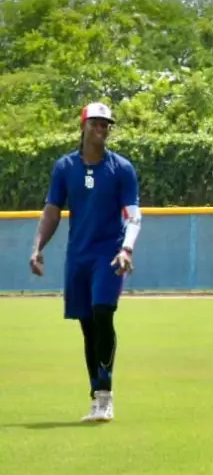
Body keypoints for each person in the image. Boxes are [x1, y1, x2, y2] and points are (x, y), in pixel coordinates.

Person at [30, 102, 141, 424]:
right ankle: (96, 395)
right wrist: (37, 247)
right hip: (78, 255)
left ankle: (106, 396)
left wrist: (127, 249)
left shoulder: (121, 168)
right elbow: (52, 210)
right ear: (83, 126)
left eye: (106, 124)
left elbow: (133, 215)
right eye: (96, 123)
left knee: (103, 313)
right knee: (88, 326)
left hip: (109, 254)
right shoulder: (64, 167)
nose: (101, 129)